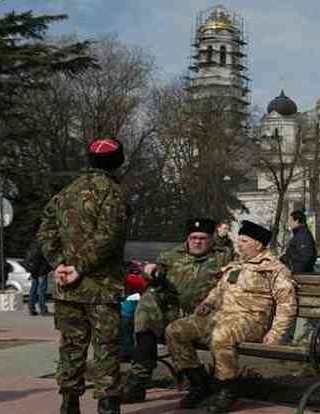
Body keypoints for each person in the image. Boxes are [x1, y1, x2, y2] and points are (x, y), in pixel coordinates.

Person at [164, 220, 297, 412]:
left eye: (243, 241)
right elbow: (219, 290)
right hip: (221, 316)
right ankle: (199, 384)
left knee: (221, 335)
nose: (238, 244)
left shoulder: (274, 269)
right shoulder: (235, 265)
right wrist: (208, 303)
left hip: (251, 321)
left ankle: (227, 390)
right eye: (239, 240)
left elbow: (287, 304)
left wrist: (276, 333)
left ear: (258, 244)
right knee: (175, 330)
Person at [37, 138, 127, 414]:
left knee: (71, 346)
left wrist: (60, 264)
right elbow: (108, 236)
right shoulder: (113, 193)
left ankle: (69, 404)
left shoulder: (65, 193)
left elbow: (45, 231)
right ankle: (107, 406)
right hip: (101, 288)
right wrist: (80, 266)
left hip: (68, 287)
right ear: (118, 162)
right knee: (106, 347)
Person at [121, 218, 231, 404]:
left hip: (205, 315)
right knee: (147, 303)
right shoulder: (172, 255)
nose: (197, 242)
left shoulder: (223, 256)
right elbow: (157, 271)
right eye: (193, 237)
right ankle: (139, 379)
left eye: (202, 238)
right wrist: (150, 271)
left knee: (174, 330)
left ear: (211, 239)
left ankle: (199, 384)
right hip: (174, 313)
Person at [25, 235, 51, 316]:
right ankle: (43, 309)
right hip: (41, 272)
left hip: (34, 272)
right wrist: (47, 269)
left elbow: (28, 261)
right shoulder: (42, 247)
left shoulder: (31, 247)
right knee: (41, 291)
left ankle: (31, 308)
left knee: (33, 291)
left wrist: (32, 271)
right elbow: (45, 260)